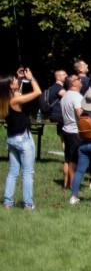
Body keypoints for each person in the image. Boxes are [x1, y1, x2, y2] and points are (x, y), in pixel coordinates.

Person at [2, 68, 42, 209]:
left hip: (11, 138)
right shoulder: (15, 100)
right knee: (27, 172)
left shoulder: (5, 99)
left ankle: (7, 202)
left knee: (13, 171)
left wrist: (19, 79)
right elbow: (37, 92)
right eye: (13, 80)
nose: (15, 80)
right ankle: (28, 204)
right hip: (23, 139)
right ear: (9, 85)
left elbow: (16, 92)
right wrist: (31, 79)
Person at [59, 75, 84, 192]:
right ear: (74, 83)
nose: (81, 80)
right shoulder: (77, 97)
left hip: (66, 129)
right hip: (75, 131)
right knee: (74, 160)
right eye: (78, 79)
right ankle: (73, 185)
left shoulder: (65, 96)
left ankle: (66, 183)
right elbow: (79, 114)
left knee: (67, 159)